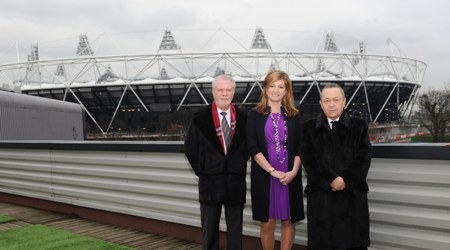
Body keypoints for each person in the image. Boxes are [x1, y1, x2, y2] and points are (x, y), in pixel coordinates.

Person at [301, 83, 372, 250]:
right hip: (321, 199)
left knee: (353, 243)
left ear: (344, 102)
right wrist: (331, 179)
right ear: (321, 103)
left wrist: (345, 180)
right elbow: (309, 160)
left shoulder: (359, 126)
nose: (331, 104)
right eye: (327, 100)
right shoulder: (308, 128)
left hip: (352, 198)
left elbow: (363, 159)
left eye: (336, 100)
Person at [184, 74, 249, 250]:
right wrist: (204, 170)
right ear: (213, 92)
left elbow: (248, 150)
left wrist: (236, 167)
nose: (224, 94)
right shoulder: (199, 118)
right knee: (210, 233)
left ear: (234, 92)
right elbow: (190, 149)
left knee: (235, 233)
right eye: (220, 90)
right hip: (210, 185)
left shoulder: (244, 119)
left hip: (235, 184)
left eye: (228, 90)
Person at [246, 70, 304, 250]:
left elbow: (300, 147)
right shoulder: (254, 115)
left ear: (287, 91)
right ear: (265, 88)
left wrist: (293, 172)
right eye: (272, 86)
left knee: (288, 219)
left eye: (281, 86)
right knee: (268, 221)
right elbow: (253, 147)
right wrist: (272, 171)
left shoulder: (294, 115)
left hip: (289, 173)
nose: (276, 90)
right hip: (265, 173)